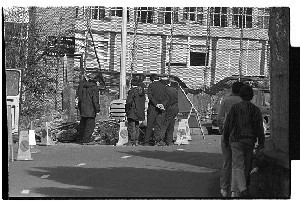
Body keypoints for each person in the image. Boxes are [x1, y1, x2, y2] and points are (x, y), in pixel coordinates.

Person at [223, 85, 265, 197]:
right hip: (250, 141)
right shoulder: (256, 110)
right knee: (247, 166)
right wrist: (261, 142)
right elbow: (259, 128)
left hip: (236, 140)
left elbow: (228, 125)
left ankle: (242, 189)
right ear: (252, 96)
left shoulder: (235, 108)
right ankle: (240, 189)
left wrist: (226, 139)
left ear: (240, 96)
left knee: (237, 166)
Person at [217, 81, 245, 197]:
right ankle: (235, 191)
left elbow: (220, 118)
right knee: (237, 164)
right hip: (239, 136)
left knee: (226, 162)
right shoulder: (245, 102)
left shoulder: (226, 100)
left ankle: (224, 188)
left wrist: (221, 129)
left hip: (227, 134)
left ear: (232, 90)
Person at [144, 74, 168, 146]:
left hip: (152, 107)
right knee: (158, 125)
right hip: (161, 108)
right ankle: (157, 140)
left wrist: (156, 104)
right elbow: (167, 97)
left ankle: (146, 141)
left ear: (151, 79)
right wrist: (162, 104)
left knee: (150, 125)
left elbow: (150, 96)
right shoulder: (164, 86)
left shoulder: (151, 86)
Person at [77, 72, 100, 145]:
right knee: (90, 125)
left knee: (83, 123)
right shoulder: (94, 87)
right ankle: (86, 140)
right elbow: (95, 100)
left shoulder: (82, 86)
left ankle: (81, 138)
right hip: (91, 109)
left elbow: (79, 96)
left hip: (82, 107)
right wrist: (97, 109)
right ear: (96, 80)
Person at [125, 79, 146, 146]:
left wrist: (126, 110)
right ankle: (136, 141)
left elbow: (129, 102)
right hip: (139, 112)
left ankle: (131, 141)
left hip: (132, 111)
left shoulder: (132, 92)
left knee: (131, 126)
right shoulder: (142, 92)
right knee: (137, 126)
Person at [161, 79, 179, 146]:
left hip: (169, 108)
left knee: (165, 124)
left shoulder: (166, 89)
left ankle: (160, 139)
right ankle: (169, 141)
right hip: (175, 108)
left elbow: (166, 100)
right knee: (171, 125)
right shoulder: (175, 90)